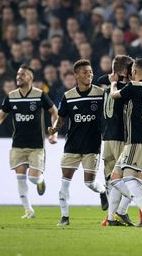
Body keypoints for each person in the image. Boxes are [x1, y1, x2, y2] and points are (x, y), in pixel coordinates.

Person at [0, 65, 58, 219]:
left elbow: (54, 112)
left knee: (33, 178)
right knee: (20, 177)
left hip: (36, 146)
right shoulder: (11, 96)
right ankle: (28, 210)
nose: (18, 77)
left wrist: (53, 132)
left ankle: (40, 180)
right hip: (18, 144)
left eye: (23, 74)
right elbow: (0, 116)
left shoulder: (39, 95)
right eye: (18, 74)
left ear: (30, 78)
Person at [49, 59, 107, 226]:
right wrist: (54, 129)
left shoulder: (100, 94)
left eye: (90, 72)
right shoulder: (68, 96)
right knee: (64, 182)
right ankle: (64, 217)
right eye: (85, 72)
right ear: (76, 75)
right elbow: (60, 119)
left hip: (92, 145)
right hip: (72, 145)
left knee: (89, 182)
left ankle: (102, 191)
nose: (89, 74)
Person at [108, 58, 142, 227]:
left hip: (136, 139)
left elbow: (115, 95)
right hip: (141, 138)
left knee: (129, 178)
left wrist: (114, 84)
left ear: (135, 72)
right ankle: (114, 216)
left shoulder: (132, 86)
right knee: (115, 177)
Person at [98, 55, 136, 227]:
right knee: (126, 177)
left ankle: (111, 217)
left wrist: (110, 78)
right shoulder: (127, 89)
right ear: (123, 71)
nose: (133, 72)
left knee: (110, 178)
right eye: (131, 68)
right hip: (121, 137)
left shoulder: (107, 89)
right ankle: (127, 209)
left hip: (107, 138)